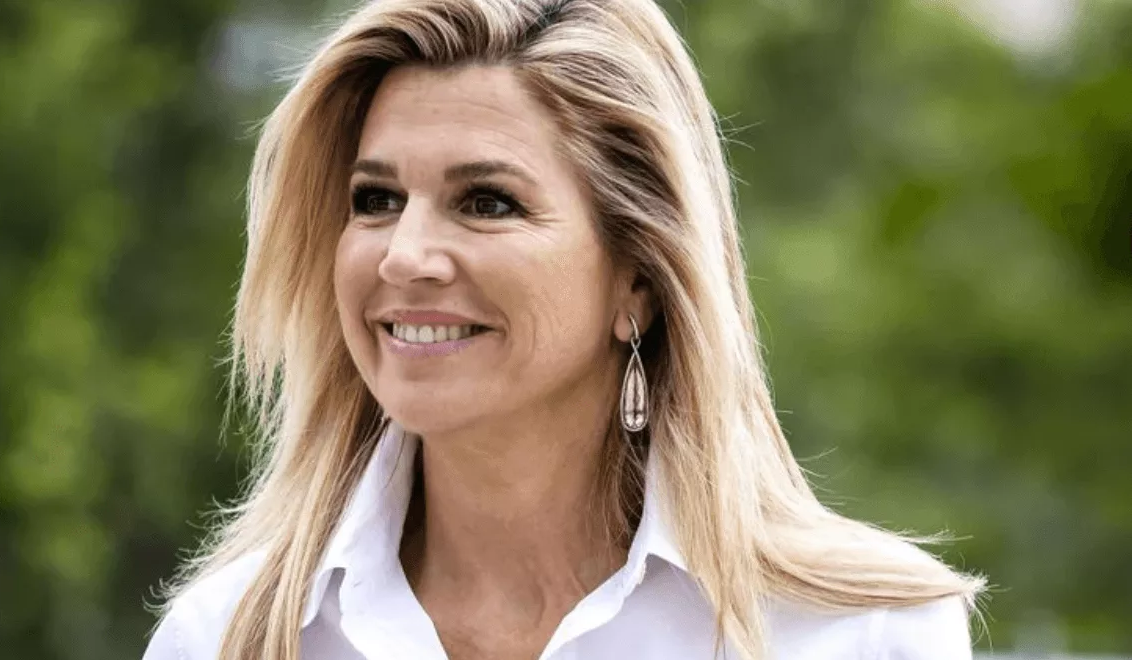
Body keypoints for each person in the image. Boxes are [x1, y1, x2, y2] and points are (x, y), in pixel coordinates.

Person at [142, 0, 987, 658]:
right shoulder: (225, 640)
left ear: (638, 278)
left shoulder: (859, 635)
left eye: (486, 202)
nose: (404, 256)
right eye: (377, 199)